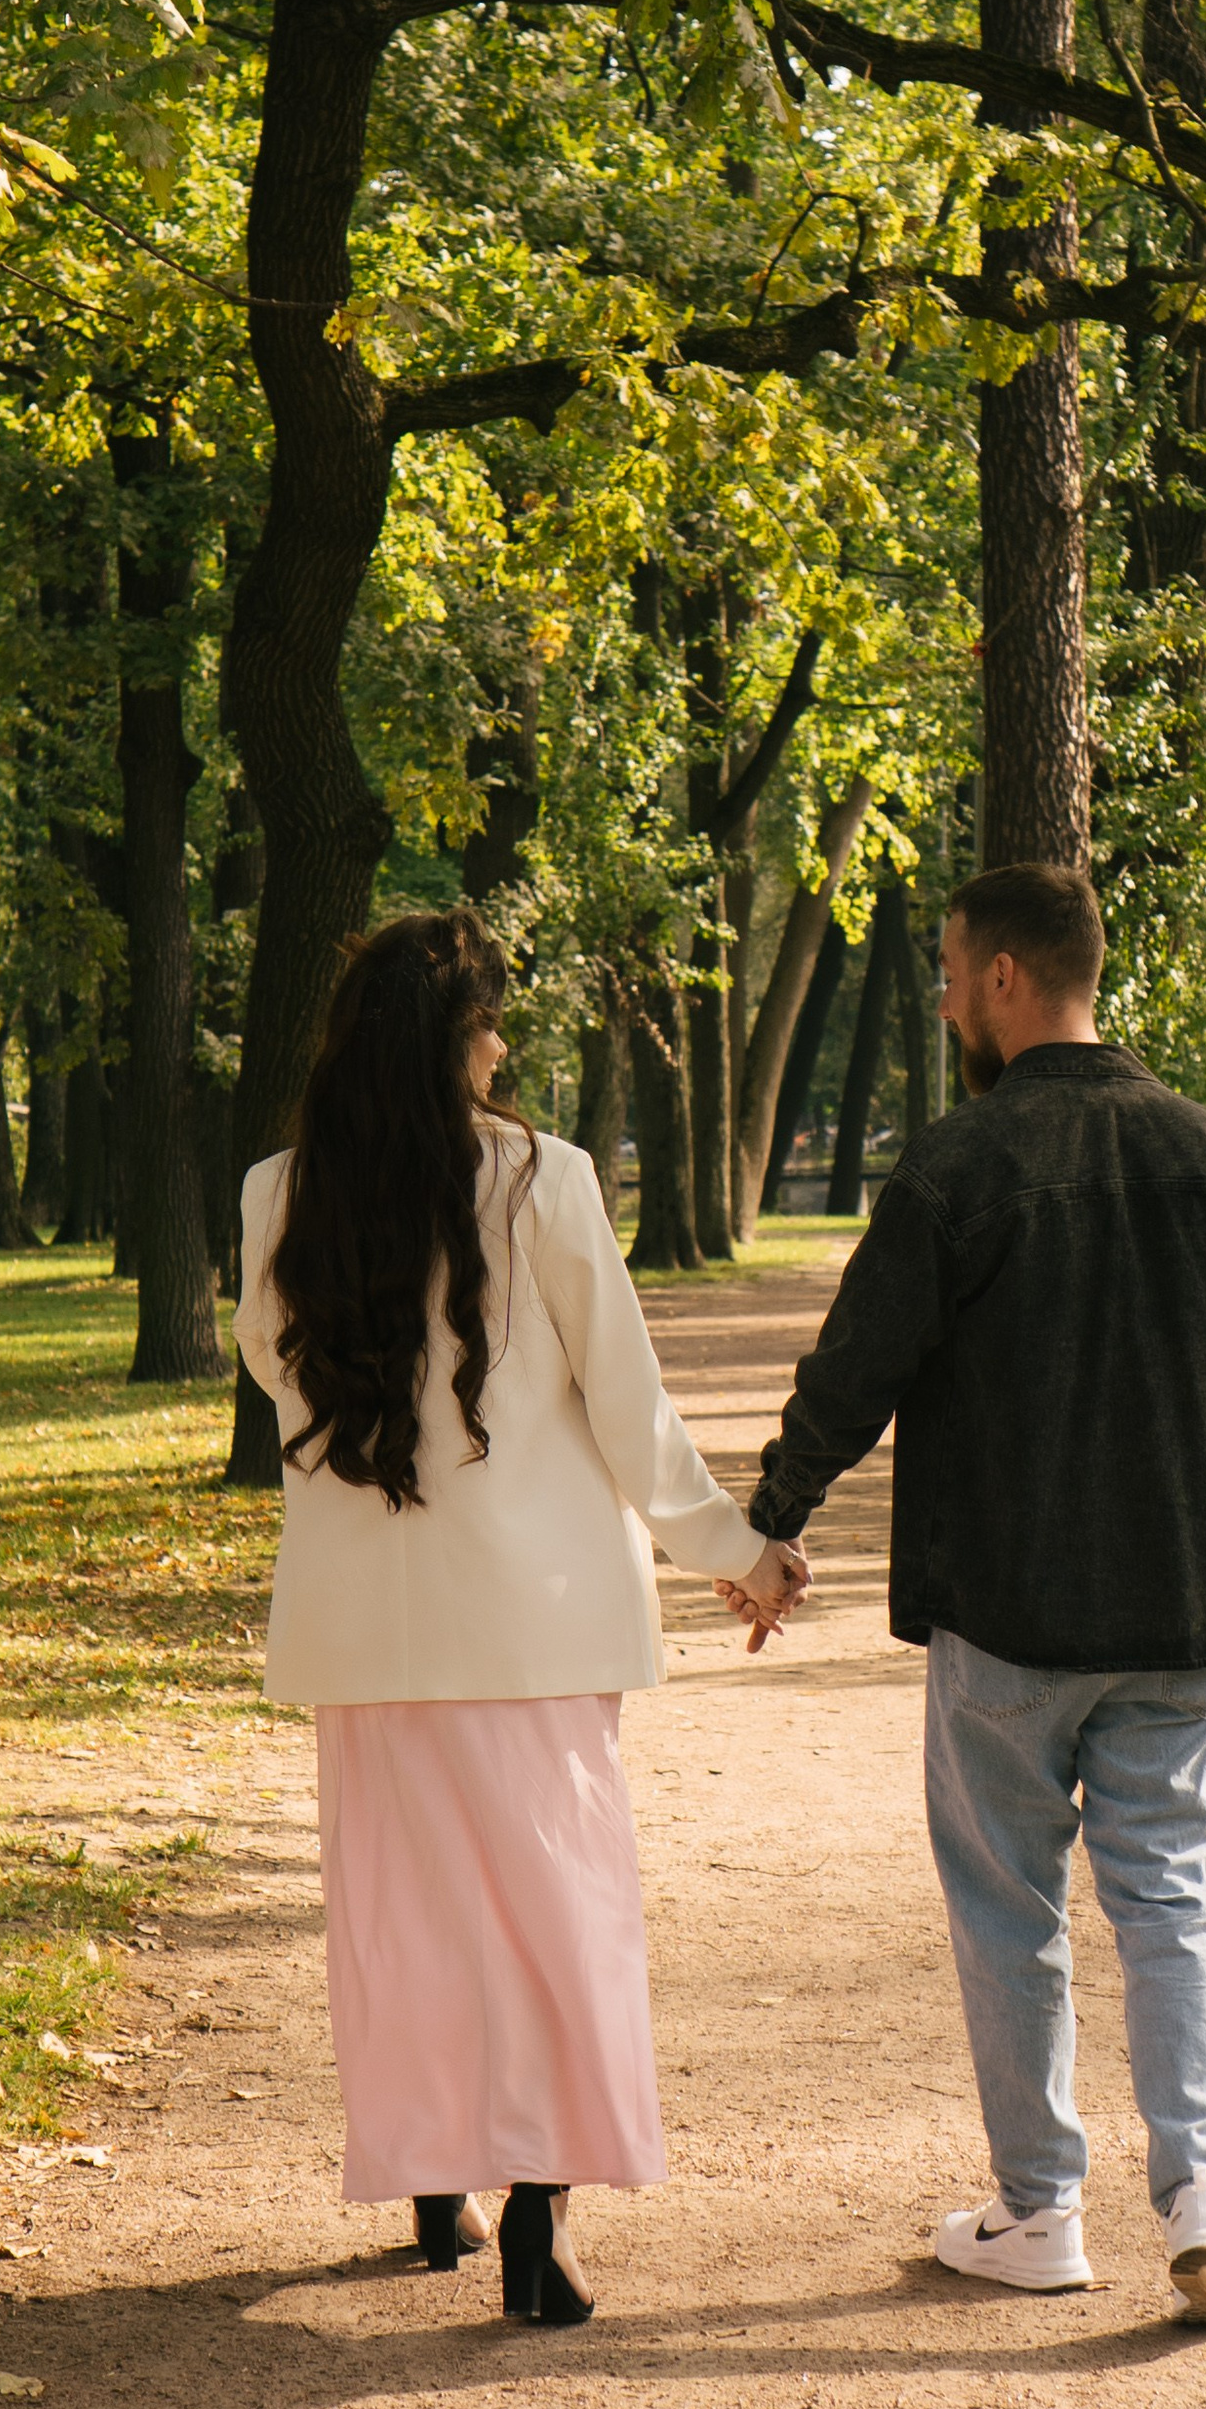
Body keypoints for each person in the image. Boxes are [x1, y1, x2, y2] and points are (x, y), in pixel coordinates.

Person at [736, 860, 1206, 2328]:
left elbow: (856, 1367)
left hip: (1011, 1611)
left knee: (1010, 1906)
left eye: (948, 968)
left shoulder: (957, 1169)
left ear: (1007, 978)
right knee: (1176, 1894)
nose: (941, 994)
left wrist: (772, 1522)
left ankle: (1039, 2210)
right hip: (1187, 1606)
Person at [236, 909, 807, 2327]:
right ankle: (535, 2219)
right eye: (490, 1024)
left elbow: (274, 1371)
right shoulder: (539, 1182)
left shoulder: (279, 1195)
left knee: (408, 1914)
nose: (502, 1047)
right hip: (533, 1626)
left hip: (369, 1631)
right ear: (449, 1043)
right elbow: (627, 1401)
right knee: (554, 1916)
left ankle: (437, 2179)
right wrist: (734, 1550)